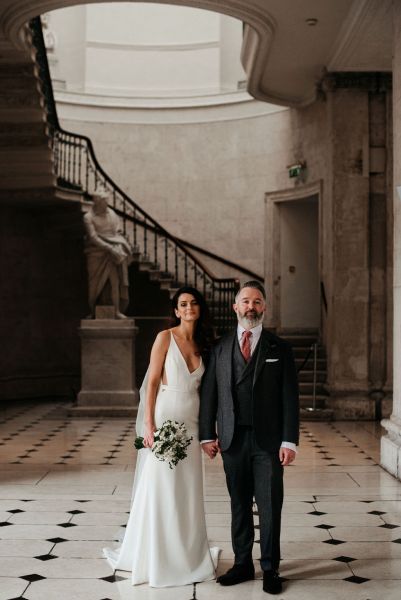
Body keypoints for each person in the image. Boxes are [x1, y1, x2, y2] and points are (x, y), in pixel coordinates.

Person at [103, 286, 219, 587]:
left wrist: (210, 430)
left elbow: (208, 392)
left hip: (192, 424)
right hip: (166, 420)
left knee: (187, 489)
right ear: (176, 311)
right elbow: (152, 382)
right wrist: (149, 424)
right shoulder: (164, 338)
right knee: (162, 486)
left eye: (194, 303)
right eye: (183, 304)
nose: (189, 307)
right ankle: (158, 555)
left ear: (199, 308)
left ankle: (188, 553)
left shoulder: (205, 343)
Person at [199, 280, 299, 595]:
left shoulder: (279, 348)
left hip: (268, 441)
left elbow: (290, 398)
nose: (250, 307)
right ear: (235, 307)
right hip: (232, 440)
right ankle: (243, 563)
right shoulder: (219, 347)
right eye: (245, 301)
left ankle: (270, 568)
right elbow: (209, 396)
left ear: (264, 307)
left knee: (269, 506)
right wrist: (206, 435)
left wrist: (289, 440)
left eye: (256, 301)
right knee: (239, 504)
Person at [83, 189, 132, 319]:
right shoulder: (88, 217)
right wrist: (110, 248)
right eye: (104, 201)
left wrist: (119, 244)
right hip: (96, 253)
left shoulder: (112, 214)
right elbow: (93, 237)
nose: (107, 204)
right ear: (98, 202)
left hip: (112, 252)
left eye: (107, 201)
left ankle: (116, 311)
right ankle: (93, 310)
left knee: (114, 281)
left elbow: (117, 232)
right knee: (94, 283)